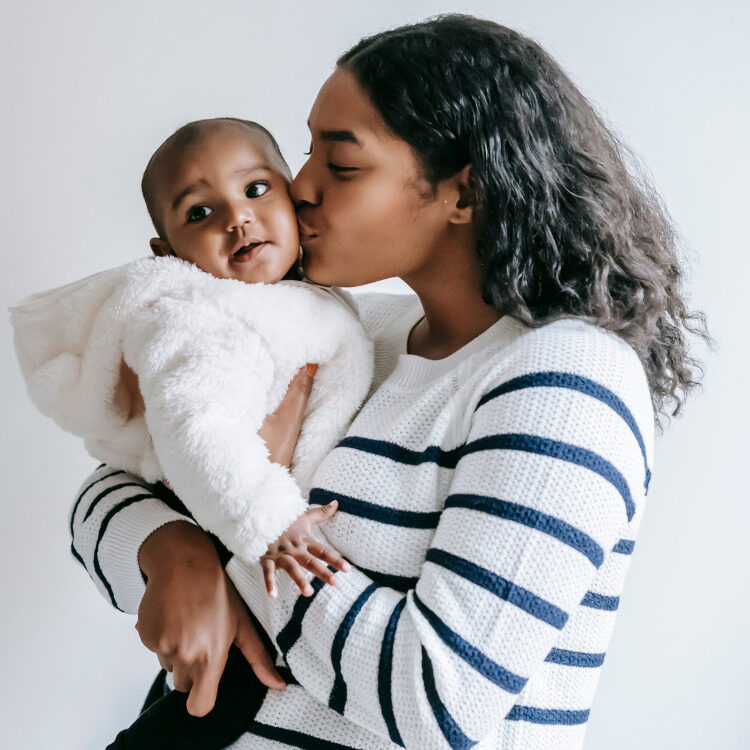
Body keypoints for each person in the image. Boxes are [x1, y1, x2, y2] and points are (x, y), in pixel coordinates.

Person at [70, 15, 708, 750]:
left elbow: (435, 699)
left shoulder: (566, 382)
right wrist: (170, 551)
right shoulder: (346, 331)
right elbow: (112, 484)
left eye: (340, 166)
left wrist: (250, 524)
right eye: (305, 151)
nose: (295, 187)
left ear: (462, 195)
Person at [13, 116, 371, 564]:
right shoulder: (196, 320)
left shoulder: (312, 301)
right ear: (169, 253)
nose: (237, 217)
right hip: (254, 538)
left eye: (255, 189)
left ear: (292, 196)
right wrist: (269, 520)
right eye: (200, 213)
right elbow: (196, 431)